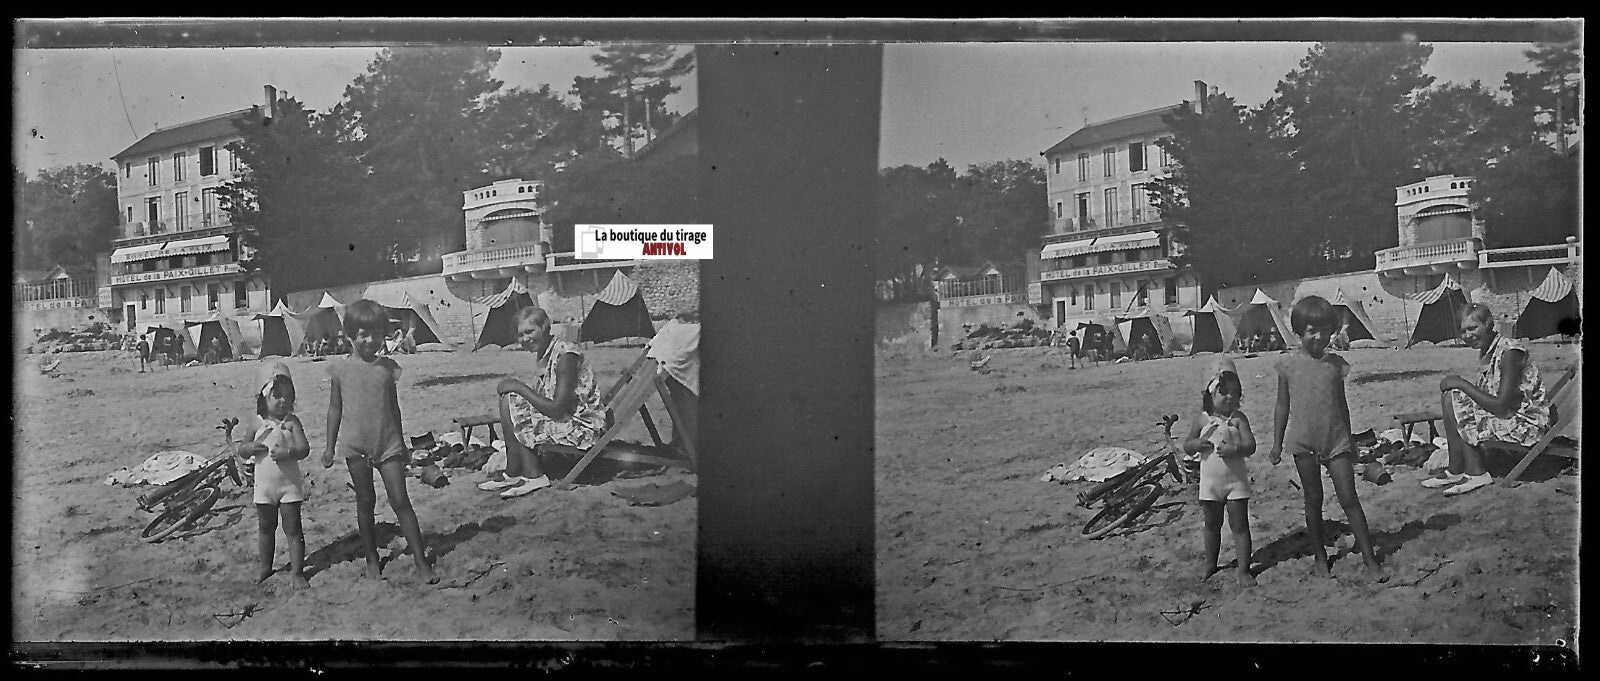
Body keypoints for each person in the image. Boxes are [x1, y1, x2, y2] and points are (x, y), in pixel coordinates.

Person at [322, 299, 437, 583]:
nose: (370, 340)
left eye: (376, 333)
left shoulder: (388, 368)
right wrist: (328, 447)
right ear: (350, 335)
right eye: (363, 334)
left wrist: (403, 444)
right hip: (355, 445)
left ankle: (421, 561)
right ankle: (372, 558)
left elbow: (393, 408)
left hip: (388, 443)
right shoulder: (340, 370)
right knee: (365, 501)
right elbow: (335, 409)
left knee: (400, 500)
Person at [1268, 295, 1382, 577]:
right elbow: (1282, 406)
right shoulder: (1288, 365)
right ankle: (1320, 556)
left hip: (1336, 440)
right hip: (1303, 441)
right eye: (1311, 331)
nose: (1318, 337)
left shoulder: (1336, 365)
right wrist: (1276, 443)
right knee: (1313, 499)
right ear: (1298, 331)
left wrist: (1351, 439)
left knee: (1349, 498)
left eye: (1324, 331)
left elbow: (1341, 404)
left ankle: (1369, 557)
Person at [480, 306, 608, 498]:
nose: (524, 339)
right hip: (567, 418)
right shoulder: (548, 353)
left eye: (529, 331)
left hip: (582, 427)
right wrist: (516, 390)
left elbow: (557, 409)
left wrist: (519, 387)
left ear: (545, 327)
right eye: (520, 335)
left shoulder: (565, 356)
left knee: (515, 398)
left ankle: (534, 475)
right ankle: (514, 471)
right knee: (510, 399)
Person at [1429, 303, 1551, 496]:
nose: (1468, 336)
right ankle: (1456, 468)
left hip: (1525, 425)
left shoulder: (1510, 352)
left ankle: (1476, 472)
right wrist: (1459, 388)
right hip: (1509, 416)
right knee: (1451, 396)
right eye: (1463, 331)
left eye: (1472, 328)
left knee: (1457, 395)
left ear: (1488, 324)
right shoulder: (1490, 350)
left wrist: (1462, 384)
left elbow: (1502, 406)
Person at [235, 361, 312, 587]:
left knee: (293, 529)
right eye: (276, 396)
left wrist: (289, 452)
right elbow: (242, 448)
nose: (282, 401)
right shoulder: (257, 423)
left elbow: (304, 449)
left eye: (288, 396)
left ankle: (297, 571)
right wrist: (250, 449)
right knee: (266, 528)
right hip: (265, 488)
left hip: (289, 486)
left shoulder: (292, 423)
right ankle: (265, 567)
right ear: (263, 398)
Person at [1183, 364, 1257, 588]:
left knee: (1240, 525)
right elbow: (1187, 445)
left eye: (1235, 393)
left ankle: (1244, 570)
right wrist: (1196, 444)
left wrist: (1236, 449)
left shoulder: (1238, 419)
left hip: (1235, 483)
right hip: (1211, 484)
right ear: (1210, 394)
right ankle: (1211, 564)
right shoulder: (1202, 420)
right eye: (1223, 392)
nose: (1229, 397)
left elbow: (1250, 445)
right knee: (1211, 525)